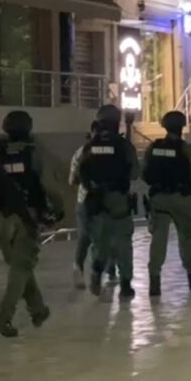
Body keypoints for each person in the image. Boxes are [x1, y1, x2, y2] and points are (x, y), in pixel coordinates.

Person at [0, 111, 65, 338]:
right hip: (27, 219)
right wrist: (58, 208)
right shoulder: (34, 153)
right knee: (21, 269)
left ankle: (38, 310)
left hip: (2, 220)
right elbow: (49, 185)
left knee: (21, 266)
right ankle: (3, 318)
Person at [79, 105, 139, 299]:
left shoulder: (90, 146)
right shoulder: (123, 145)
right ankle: (125, 285)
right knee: (123, 241)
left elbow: (82, 173)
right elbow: (134, 173)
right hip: (118, 199)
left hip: (96, 199)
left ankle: (97, 272)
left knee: (100, 241)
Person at [142, 111, 191, 297]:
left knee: (158, 238)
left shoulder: (153, 147)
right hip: (181, 198)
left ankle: (154, 281)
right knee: (186, 237)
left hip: (159, 198)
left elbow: (144, 173)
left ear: (165, 126)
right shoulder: (185, 149)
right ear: (181, 127)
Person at [69, 121, 116, 290]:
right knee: (108, 235)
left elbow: (71, 180)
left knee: (85, 237)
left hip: (85, 199)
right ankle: (110, 271)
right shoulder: (114, 150)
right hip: (109, 199)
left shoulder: (81, 151)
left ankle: (78, 268)